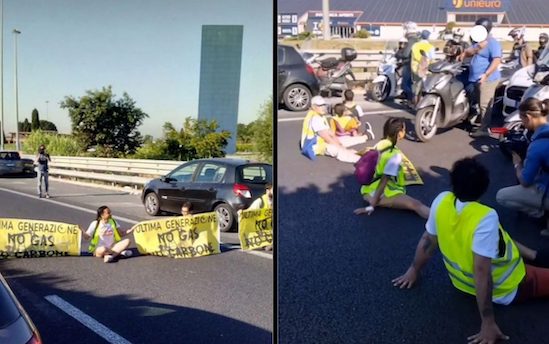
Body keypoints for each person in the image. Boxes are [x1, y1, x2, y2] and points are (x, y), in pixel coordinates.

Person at [393, 158, 549, 344]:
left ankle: (534, 256)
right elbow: (482, 271)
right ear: (484, 188)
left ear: (453, 183)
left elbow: (428, 240)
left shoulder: (442, 201)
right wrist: (488, 322)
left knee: (499, 237)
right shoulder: (485, 217)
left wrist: (413, 270)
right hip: (508, 285)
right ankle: (536, 259)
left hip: (462, 283)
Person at [353, 117, 430, 219]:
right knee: (416, 205)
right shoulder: (394, 154)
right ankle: (441, 221)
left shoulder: (380, 144)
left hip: (367, 190)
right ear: (399, 133)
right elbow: (384, 181)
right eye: (404, 130)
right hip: (379, 194)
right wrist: (371, 206)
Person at [496, 98, 549, 236]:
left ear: (529, 117)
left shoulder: (538, 146)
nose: (523, 125)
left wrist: (517, 163)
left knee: (501, 196)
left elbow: (525, 181)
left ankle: (543, 211)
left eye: (522, 120)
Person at [460, 18, 502, 138]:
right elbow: (468, 52)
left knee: (485, 104)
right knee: (477, 102)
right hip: (474, 79)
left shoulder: (492, 43)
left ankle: (484, 129)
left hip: (487, 79)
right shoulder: (479, 42)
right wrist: (474, 49)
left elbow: (496, 60)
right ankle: (478, 121)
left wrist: (486, 74)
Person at [301, 96, 366, 163]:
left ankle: (365, 138)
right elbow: (327, 138)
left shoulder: (320, 115)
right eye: (320, 105)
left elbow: (330, 133)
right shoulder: (315, 118)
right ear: (313, 107)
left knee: (342, 140)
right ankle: (360, 160)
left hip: (322, 140)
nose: (323, 107)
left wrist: (340, 144)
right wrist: (344, 149)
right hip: (315, 146)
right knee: (336, 150)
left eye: (324, 105)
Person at [395, 21, 419, 105]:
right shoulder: (417, 39)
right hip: (416, 64)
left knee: (405, 84)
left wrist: (398, 54)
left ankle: (411, 100)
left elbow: (405, 54)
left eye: (405, 29)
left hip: (409, 64)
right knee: (412, 83)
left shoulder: (411, 41)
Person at [411, 30, 435, 106]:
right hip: (425, 68)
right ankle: (421, 103)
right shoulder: (430, 47)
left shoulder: (415, 45)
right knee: (424, 86)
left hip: (414, 68)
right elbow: (432, 59)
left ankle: (414, 102)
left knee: (416, 85)